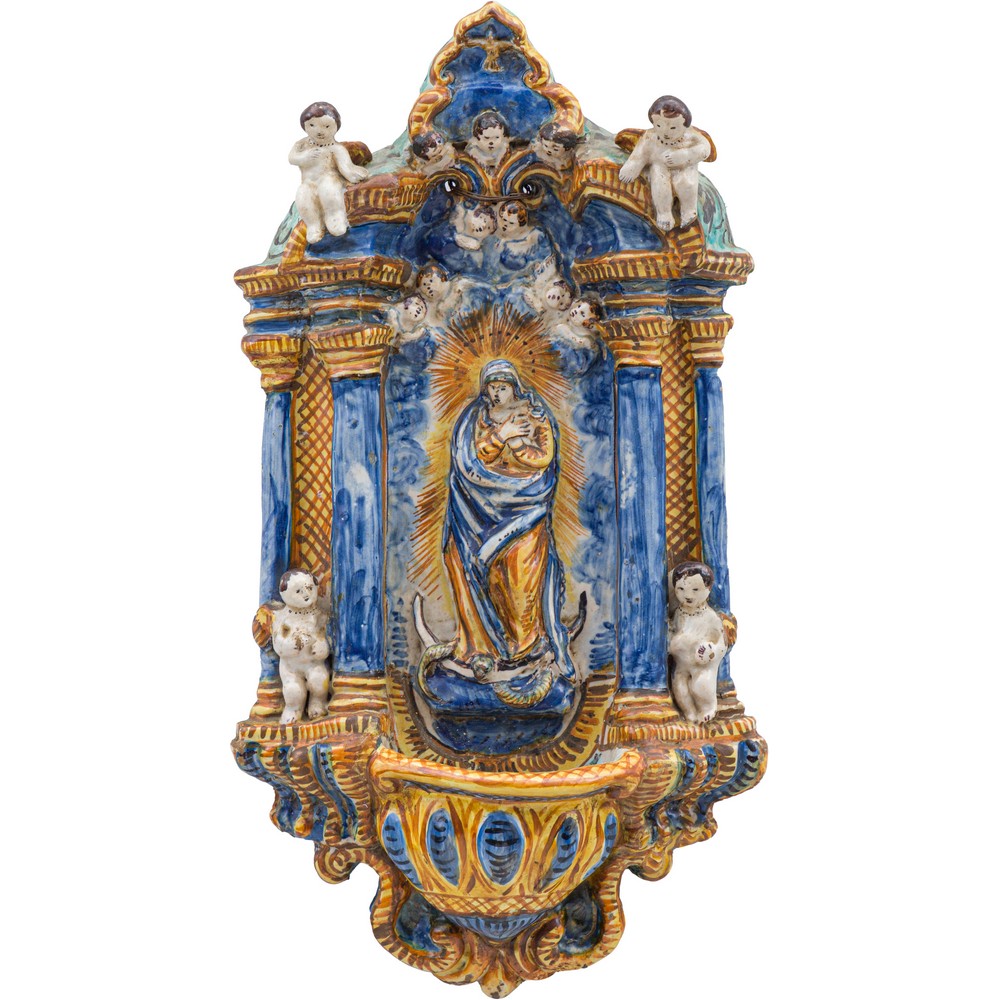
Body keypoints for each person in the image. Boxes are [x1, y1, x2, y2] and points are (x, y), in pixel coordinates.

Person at [441, 360, 573, 677]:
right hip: (476, 513)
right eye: (492, 388)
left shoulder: (535, 414)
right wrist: (500, 435)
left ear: (515, 387)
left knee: (520, 579)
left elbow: (543, 457)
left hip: (527, 509)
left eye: (503, 387)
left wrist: (516, 441)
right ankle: (484, 648)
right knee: (478, 573)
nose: (497, 393)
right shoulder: (476, 418)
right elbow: (469, 460)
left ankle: (525, 649)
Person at [618, 95, 710, 230]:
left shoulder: (691, 136)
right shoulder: (650, 136)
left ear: (685, 125)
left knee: (686, 182)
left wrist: (685, 155)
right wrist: (632, 167)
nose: (665, 132)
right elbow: (639, 155)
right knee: (659, 182)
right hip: (659, 167)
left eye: (673, 128)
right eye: (659, 125)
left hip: (684, 167)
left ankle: (688, 210)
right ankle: (664, 213)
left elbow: (705, 149)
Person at [289, 102, 369, 243]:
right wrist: (305, 157)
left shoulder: (336, 149)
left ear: (336, 126)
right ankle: (314, 225)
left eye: (326, 126)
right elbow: (292, 158)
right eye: (312, 125)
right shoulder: (302, 145)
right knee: (303, 197)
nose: (319, 131)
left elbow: (346, 167)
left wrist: (354, 175)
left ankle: (335, 218)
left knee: (329, 193)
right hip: (308, 182)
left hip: (328, 178)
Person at [668, 561, 727, 723]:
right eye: (681, 589)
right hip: (680, 664)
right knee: (680, 689)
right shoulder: (678, 613)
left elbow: (721, 643)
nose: (688, 595)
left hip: (701, 665)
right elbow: (674, 629)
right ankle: (689, 713)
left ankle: (708, 708)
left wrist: (712, 651)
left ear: (708, 589)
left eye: (695, 590)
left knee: (701, 686)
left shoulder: (710, 617)